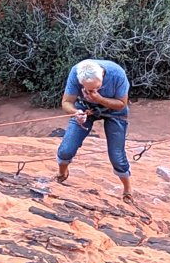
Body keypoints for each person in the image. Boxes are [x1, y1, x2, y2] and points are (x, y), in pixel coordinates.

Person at [56, 59, 133, 202]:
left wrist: (99, 98)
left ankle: (127, 189)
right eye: (89, 89)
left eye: (97, 87)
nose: (93, 91)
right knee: (67, 148)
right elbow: (66, 102)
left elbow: (122, 104)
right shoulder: (76, 72)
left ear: (102, 75)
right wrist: (76, 112)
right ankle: (62, 172)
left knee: (116, 155)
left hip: (114, 110)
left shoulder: (117, 74)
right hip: (85, 108)